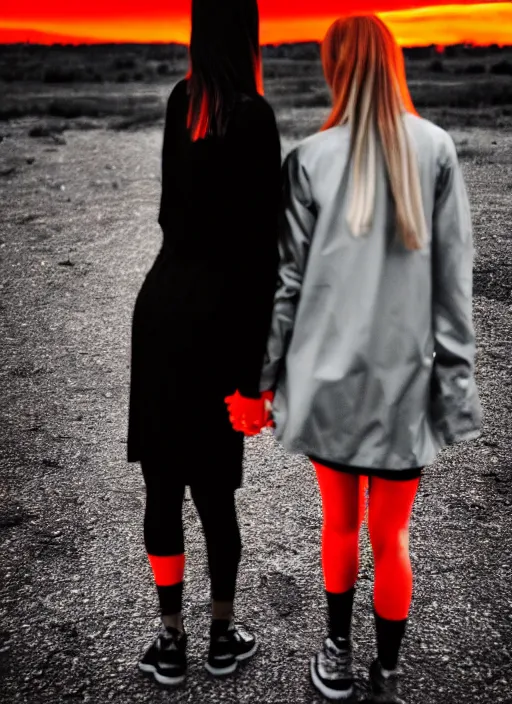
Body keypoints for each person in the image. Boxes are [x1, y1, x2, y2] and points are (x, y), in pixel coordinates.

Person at [227, 14, 481, 703]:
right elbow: (454, 284)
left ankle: (335, 658)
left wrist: (263, 378)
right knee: (392, 534)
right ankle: (389, 675)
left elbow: (286, 285)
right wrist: (455, 385)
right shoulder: (435, 148)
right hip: (406, 384)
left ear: (334, 68)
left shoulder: (308, 158)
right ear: (394, 63)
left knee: (340, 525)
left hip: (330, 384)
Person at [127, 0, 282, 687]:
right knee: (215, 492)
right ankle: (222, 636)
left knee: (161, 487)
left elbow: (167, 212)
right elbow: (262, 253)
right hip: (219, 319)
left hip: (160, 310)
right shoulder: (255, 114)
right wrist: (255, 376)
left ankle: (169, 640)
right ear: (247, 35)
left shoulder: (179, 100)